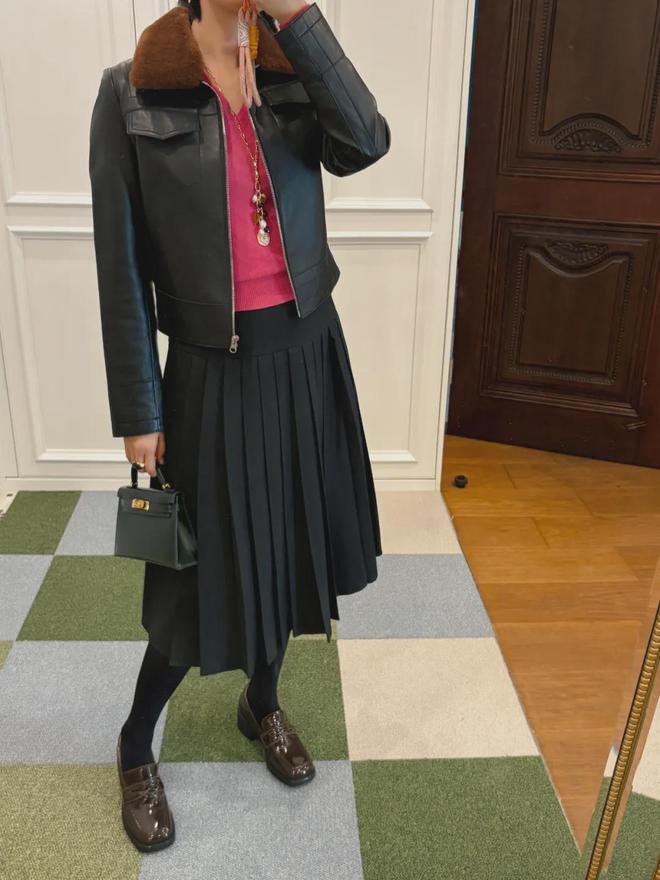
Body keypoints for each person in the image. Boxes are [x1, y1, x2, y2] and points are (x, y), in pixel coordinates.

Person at [89, 0, 390, 852]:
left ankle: (261, 704)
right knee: (197, 580)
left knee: (291, 548)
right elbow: (119, 266)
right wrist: (138, 408)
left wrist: (298, 19)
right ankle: (135, 743)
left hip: (305, 351)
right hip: (209, 372)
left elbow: (366, 141)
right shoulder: (131, 92)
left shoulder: (292, 68)